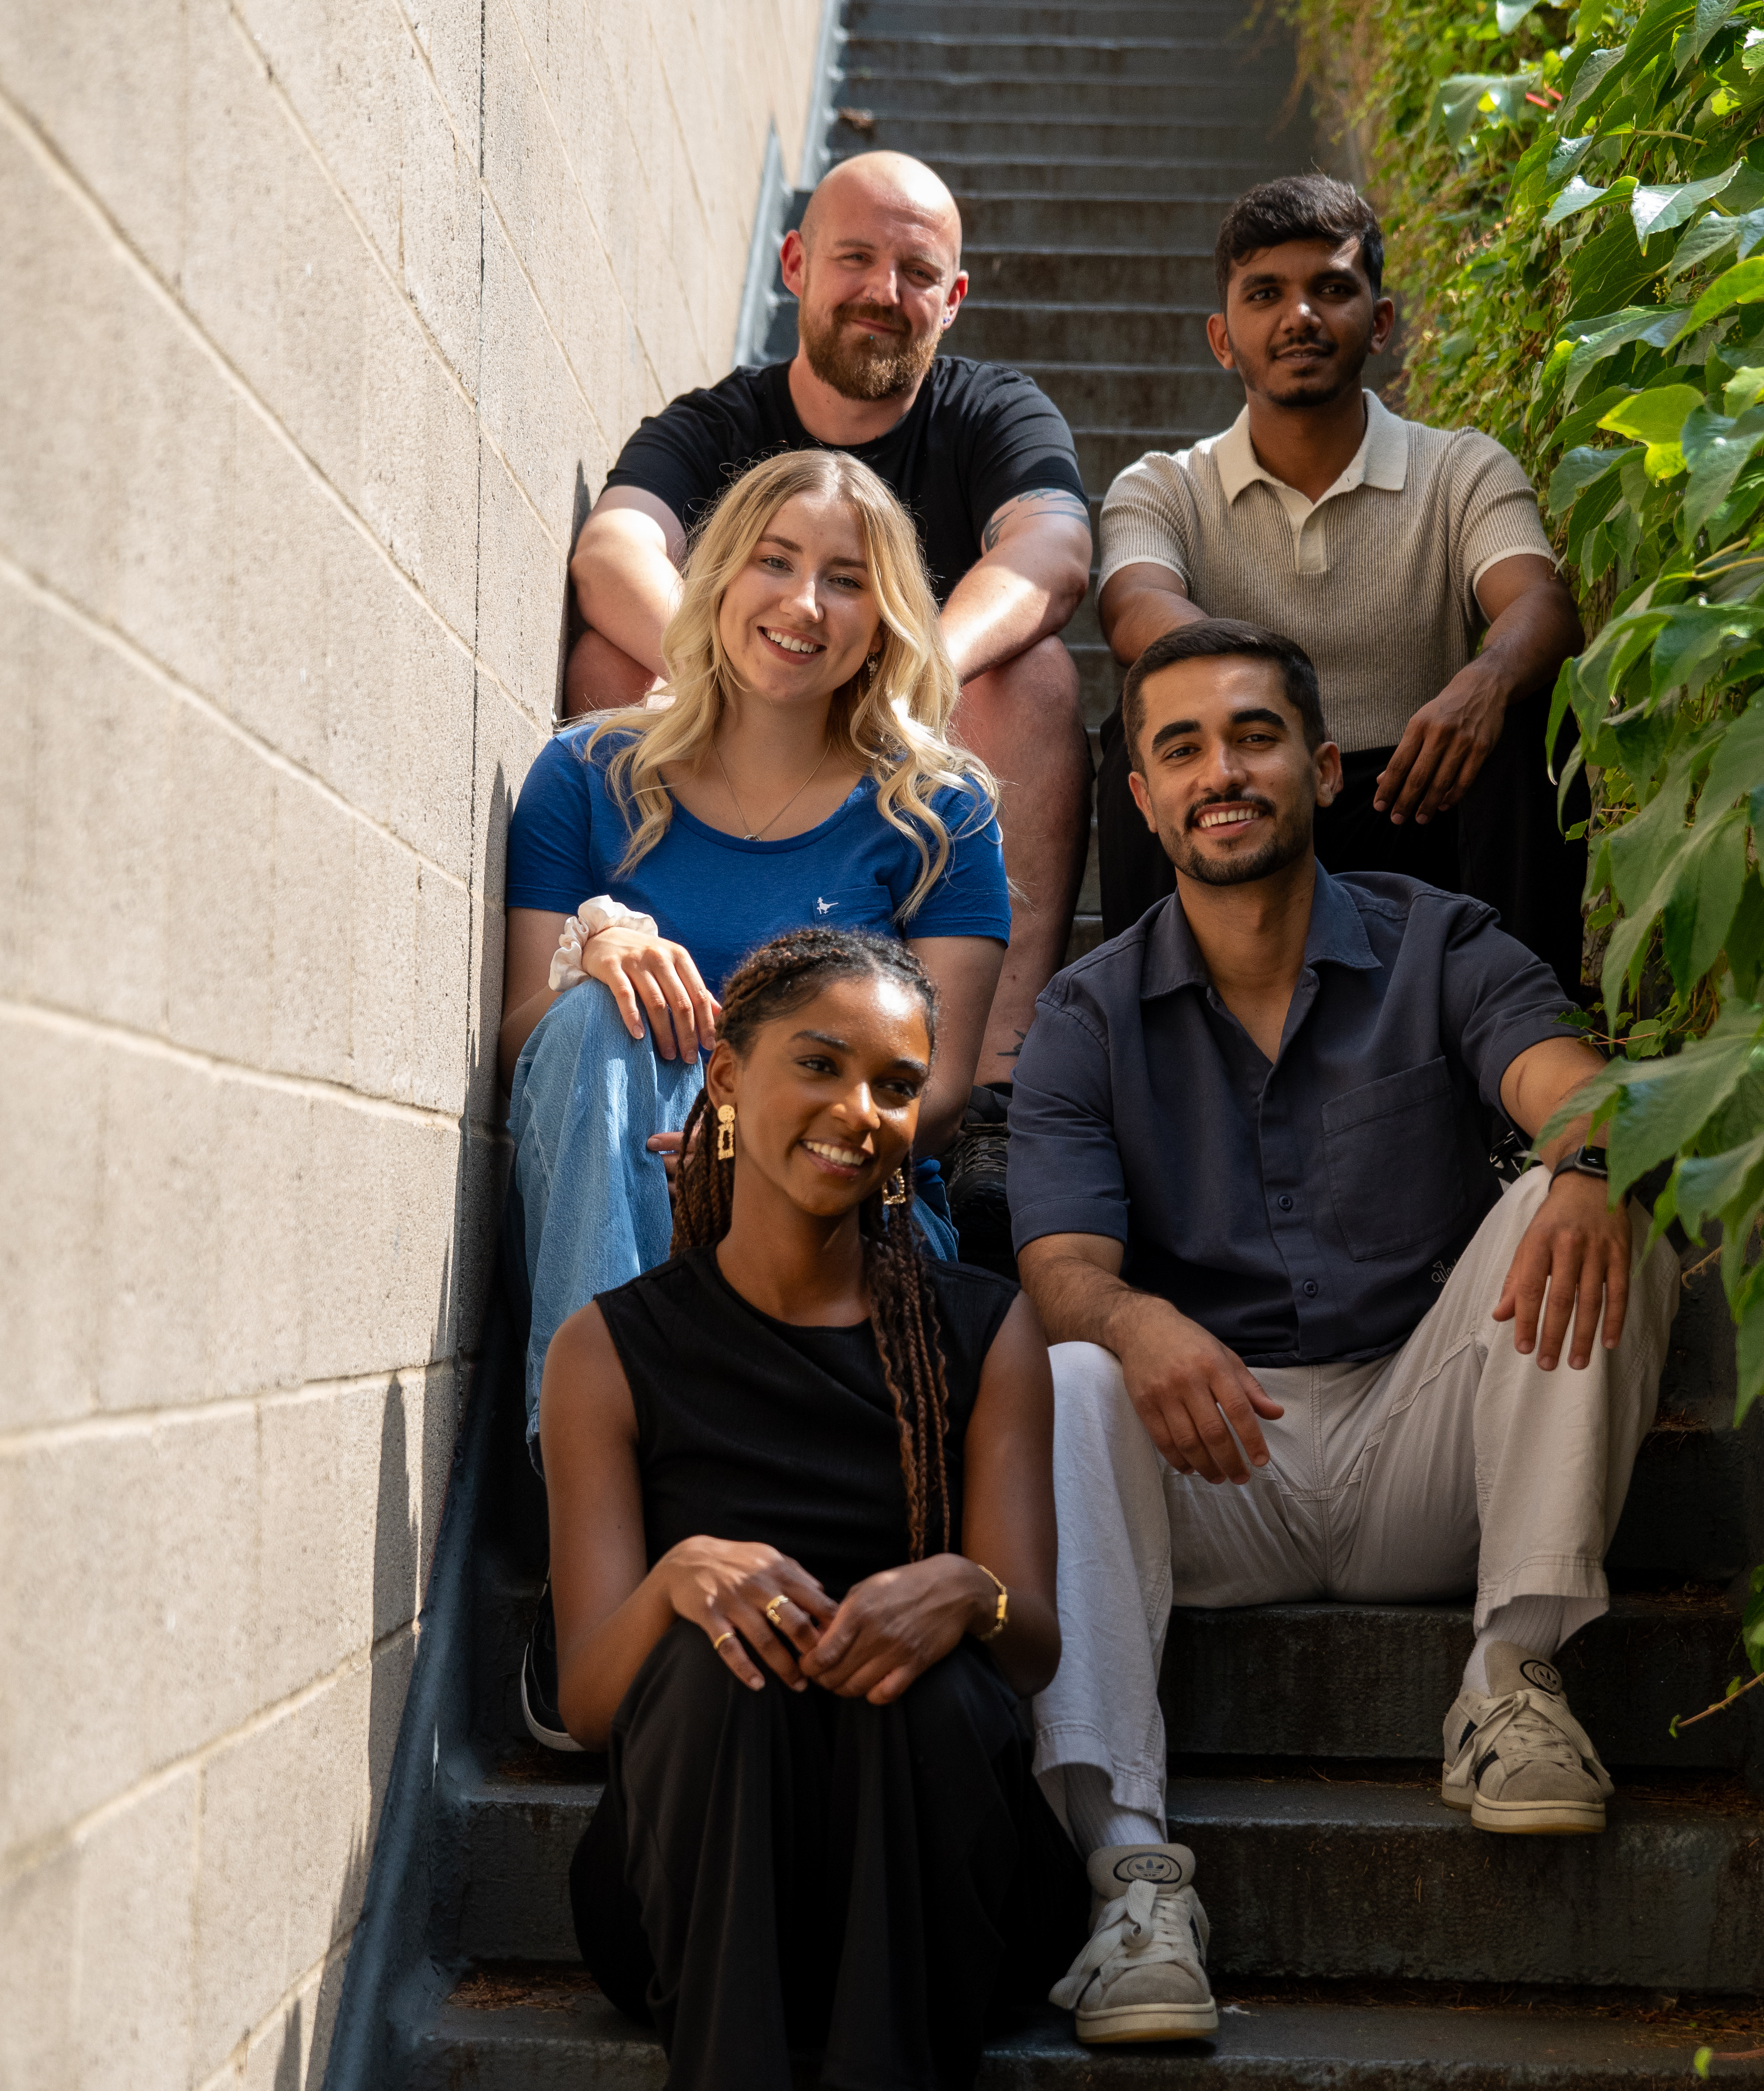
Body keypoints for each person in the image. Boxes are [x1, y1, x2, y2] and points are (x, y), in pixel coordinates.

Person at [1007, 621, 1680, 2044]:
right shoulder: (1082, 1013)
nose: (1218, 770)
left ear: (1320, 766)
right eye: (1176, 745)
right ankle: (1129, 1872)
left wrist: (1585, 1160)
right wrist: (1141, 1324)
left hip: (1420, 1445)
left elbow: (1571, 1084)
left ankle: (1509, 1677)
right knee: (1065, 1364)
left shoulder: (1440, 942)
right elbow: (1063, 1265)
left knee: (1590, 1194)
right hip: (1215, 1466)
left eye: (1251, 735)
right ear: (1138, 796)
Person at [541, 928, 1082, 2090]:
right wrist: (677, 1574)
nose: (859, 1109)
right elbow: (589, 1700)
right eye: (821, 1064)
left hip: (935, 1876)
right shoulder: (608, 1348)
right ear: (728, 1077)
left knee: (926, 1673)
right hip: (704, 1884)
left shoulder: (986, 1329)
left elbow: (1031, 1644)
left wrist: (967, 1589)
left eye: (896, 1085)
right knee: (707, 1656)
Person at [566, 148, 1092, 1170]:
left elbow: (1054, 551)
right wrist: (720, 668)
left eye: (915, 273)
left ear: (954, 299)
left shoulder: (992, 412)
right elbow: (610, 551)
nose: (882, 294)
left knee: (1031, 674)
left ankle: (986, 1083)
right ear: (794, 261)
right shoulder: (716, 423)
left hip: (901, 763)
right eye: (854, 259)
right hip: (741, 754)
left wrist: (908, 668)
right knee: (611, 657)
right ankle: (653, 1023)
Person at [502, 447, 1010, 1471]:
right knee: (598, 1022)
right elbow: (524, 1043)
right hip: (623, 1182)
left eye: (846, 579)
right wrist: (589, 955)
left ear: (883, 622)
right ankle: (598, 1460)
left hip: (844, 1191)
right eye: (774, 562)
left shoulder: (939, 813)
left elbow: (939, 1090)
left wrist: (749, 1153)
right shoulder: (586, 775)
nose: (804, 603)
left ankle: (625, 1476)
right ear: (719, 577)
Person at [1096, 174, 1590, 997]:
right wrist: (1269, 723)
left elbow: (1538, 602)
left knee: (1524, 713)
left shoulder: (1460, 467)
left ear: (1380, 322)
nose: (1299, 316)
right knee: (1138, 742)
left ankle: (1528, 1034)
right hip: (1247, 794)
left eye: (1330, 288)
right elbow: (1133, 607)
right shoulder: (1164, 486)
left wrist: (1485, 679)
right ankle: (1152, 1029)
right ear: (1222, 338)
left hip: (1418, 796)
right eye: (1266, 294)